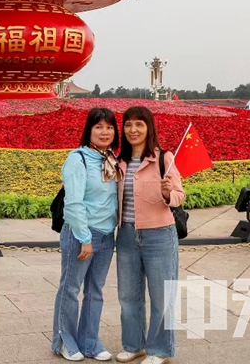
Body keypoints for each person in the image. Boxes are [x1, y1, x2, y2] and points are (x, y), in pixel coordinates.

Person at [115, 106, 185, 364]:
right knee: (128, 295)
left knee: (161, 296)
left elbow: (179, 196)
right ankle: (134, 345)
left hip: (159, 236)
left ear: (149, 128)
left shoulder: (164, 158)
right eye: (129, 124)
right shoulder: (118, 160)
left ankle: (159, 351)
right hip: (125, 235)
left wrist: (168, 192)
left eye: (139, 125)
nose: (133, 130)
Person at [53, 107, 122, 361]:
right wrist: (84, 238)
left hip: (106, 234)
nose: (105, 132)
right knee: (70, 288)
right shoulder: (77, 159)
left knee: (95, 290)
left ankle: (90, 341)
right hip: (82, 235)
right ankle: (65, 341)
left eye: (109, 127)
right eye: (99, 127)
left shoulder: (112, 158)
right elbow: (73, 202)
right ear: (89, 130)